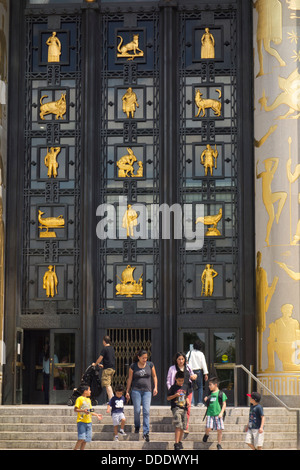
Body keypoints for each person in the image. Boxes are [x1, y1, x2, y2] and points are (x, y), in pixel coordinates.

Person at [126, 349, 158, 442]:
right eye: (143, 358)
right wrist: (127, 391)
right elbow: (130, 379)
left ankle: (146, 432)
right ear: (138, 357)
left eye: (146, 358)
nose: (145, 359)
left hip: (147, 391)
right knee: (137, 410)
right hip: (136, 391)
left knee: (146, 411)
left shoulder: (150, 365)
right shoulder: (133, 366)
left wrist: (155, 387)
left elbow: (154, 376)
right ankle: (137, 426)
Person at [166, 352, 197, 434]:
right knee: (178, 407)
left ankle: (185, 427)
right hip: (177, 391)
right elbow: (168, 381)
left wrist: (195, 376)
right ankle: (179, 425)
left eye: (182, 359)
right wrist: (171, 390)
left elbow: (193, 375)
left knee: (187, 407)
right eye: (179, 359)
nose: (181, 361)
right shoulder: (172, 368)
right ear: (176, 360)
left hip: (187, 390)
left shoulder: (188, 367)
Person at [73, 385, 102, 450]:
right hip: (81, 422)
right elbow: (75, 409)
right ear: (85, 391)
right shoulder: (79, 399)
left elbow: (90, 411)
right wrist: (83, 410)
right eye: (89, 390)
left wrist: (96, 414)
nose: (90, 391)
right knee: (81, 438)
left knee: (86, 440)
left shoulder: (89, 400)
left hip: (89, 422)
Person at [167, 370, 190, 451]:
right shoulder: (173, 388)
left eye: (182, 380)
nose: (181, 382)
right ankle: (176, 443)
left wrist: (188, 401)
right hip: (176, 407)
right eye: (179, 380)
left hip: (184, 408)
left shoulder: (185, 386)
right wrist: (175, 395)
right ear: (175, 379)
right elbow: (168, 397)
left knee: (183, 426)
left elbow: (186, 396)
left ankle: (180, 442)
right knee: (178, 425)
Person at [202, 376, 227, 450]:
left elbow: (224, 404)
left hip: (218, 414)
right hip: (210, 414)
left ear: (215, 385)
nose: (209, 386)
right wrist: (206, 399)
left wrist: (221, 413)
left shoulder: (221, 394)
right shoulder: (210, 394)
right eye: (209, 385)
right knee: (208, 427)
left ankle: (219, 444)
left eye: (210, 385)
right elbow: (208, 402)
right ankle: (206, 434)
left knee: (219, 430)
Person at [186, 340, 209, 406]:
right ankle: (200, 402)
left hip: (191, 371)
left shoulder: (190, 352)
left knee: (191, 387)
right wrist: (206, 373)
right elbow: (204, 364)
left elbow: (186, 360)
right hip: (198, 371)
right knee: (200, 387)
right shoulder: (201, 354)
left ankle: (192, 402)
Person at [93, 335, 115, 401]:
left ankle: (111, 400)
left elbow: (100, 358)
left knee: (107, 384)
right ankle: (112, 398)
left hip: (107, 369)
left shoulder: (105, 349)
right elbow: (110, 359)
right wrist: (103, 366)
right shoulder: (112, 348)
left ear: (104, 341)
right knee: (108, 383)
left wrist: (95, 364)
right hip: (112, 369)